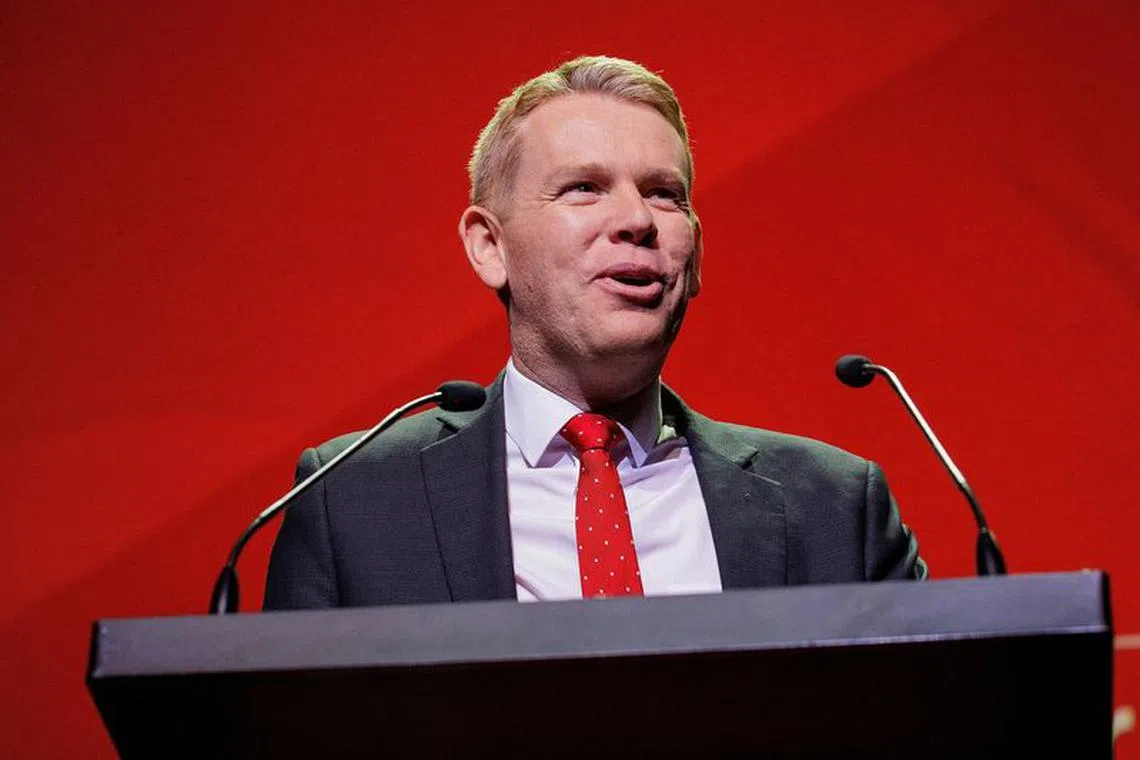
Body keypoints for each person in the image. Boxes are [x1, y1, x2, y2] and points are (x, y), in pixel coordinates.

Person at [264, 55, 925, 610]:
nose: (638, 219)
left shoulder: (836, 509)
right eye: (584, 187)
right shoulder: (351, 500)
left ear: (695, 256)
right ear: (490, 246)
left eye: (664, 193)